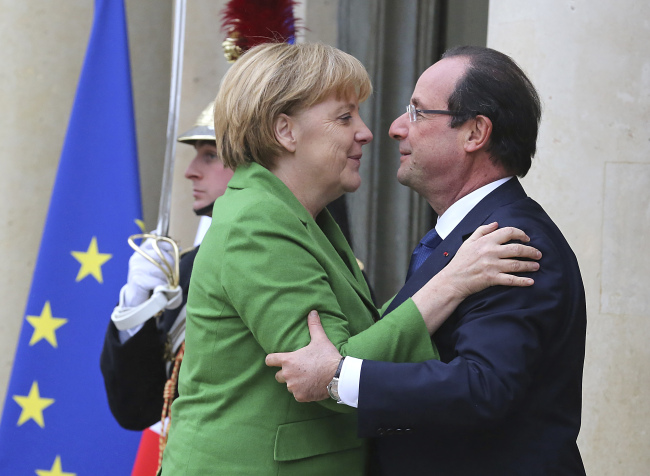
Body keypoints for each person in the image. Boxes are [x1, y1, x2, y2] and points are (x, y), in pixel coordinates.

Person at [159, 42, 541, 475]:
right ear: (286, 131)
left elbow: (348, 351)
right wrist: (451, 283)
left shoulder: (300, 215)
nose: (367, 132)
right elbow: (328, 375)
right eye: (344, 117)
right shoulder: (258, 223)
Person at [266, 45, 587, 476]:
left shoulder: (511, 240)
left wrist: (340, 375)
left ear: (475, 133)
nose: (397, 128)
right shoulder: (466, 234)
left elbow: (484, 386)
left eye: (418, 113)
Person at [99, 102, 234, 431]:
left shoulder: (314, 260)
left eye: (210, 155)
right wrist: (137, 305)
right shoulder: (189, 266)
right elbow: (138, 407)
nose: (190, 171)